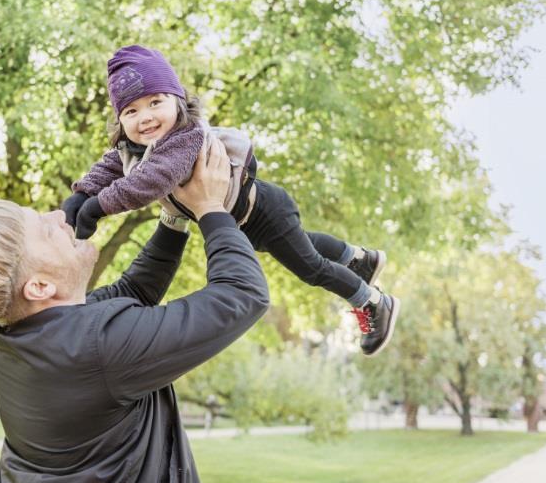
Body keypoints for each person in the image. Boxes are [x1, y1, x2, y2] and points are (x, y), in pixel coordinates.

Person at [0, 139, 269, 483]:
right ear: (39, 287)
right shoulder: (95, 348)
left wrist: (175, 216)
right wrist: (211, 209)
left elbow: (131, 292)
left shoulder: (18, 335)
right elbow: (243, 295)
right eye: (46, 231)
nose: (60, 217)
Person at [63, 45, 400, 356]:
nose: (145, 116)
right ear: (121, 121)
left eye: (155, 103)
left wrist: (99, 206)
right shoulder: (133, 147)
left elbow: (149, 182)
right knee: (302, 244)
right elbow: (108, 167)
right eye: (131, 111)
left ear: (178, 102)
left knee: (310, 267)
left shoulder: (185, 137)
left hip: (264, 209)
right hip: (243, 221)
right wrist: (81, 194)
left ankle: (372, 301)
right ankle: (359, 259)